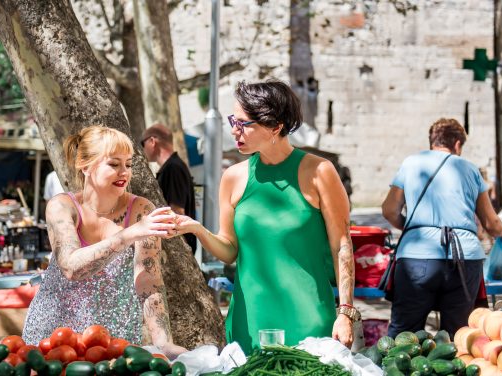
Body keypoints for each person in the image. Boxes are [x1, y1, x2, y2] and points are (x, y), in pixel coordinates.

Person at [171, 80, 357, 353]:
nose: (234, 129)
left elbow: (342, 245)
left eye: (244, 123)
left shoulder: (320, 171)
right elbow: (229, 251)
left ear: (276, 126)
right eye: (233, 120)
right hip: (249, 320)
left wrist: (346, 311)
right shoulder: (233, 177)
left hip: (309, 318)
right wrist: (197, 229)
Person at [22, 126, 186, 358]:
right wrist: (130, 234)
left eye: (128, 164)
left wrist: (164, 342)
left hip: (113, 336)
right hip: (55, 333)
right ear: (85, 166)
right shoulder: (62, 207)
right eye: (114, 164)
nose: (124, 172)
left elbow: (149, 280)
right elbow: (71, 267)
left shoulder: (141, 209)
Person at [382, 118, 502, 338]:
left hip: (417, 258)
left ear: (432, 141)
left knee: (403, 334)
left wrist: (415, 228)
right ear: (457, 144)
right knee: (459, 335)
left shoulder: (411, 163)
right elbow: (491, 224)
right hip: (464, 259)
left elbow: (389, 210)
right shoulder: (470, 169)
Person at [141, 123, 197, 253]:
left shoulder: (173, 168)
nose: (142, 149)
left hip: (179, 249)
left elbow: (177, 212)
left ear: (152, 141)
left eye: (142, 144)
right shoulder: (173, 166)